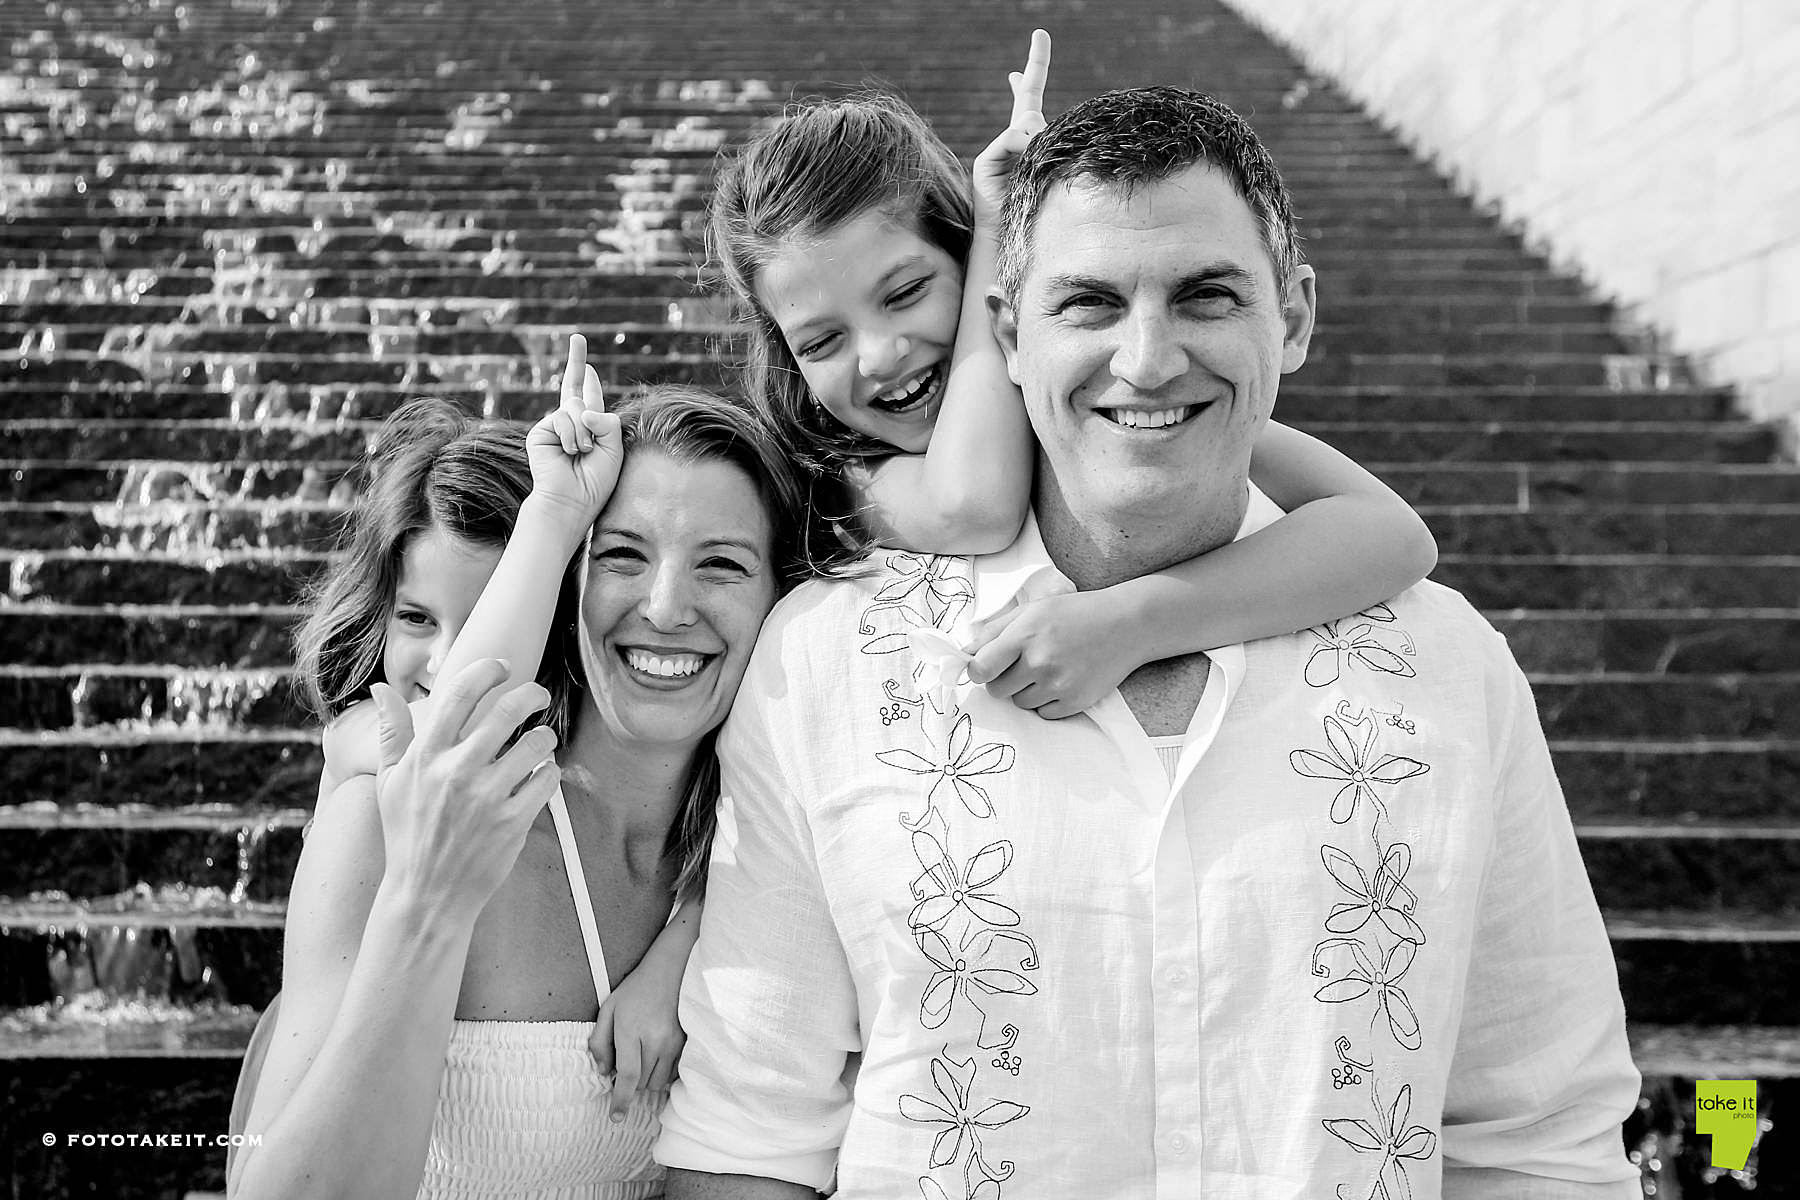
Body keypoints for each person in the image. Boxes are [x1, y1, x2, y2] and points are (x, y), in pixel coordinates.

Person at [657, 86, 1641, 1198]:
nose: (1146, 359)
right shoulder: (831, 605)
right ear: (1009, 325)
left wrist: (1133, 617)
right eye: (1086, 302)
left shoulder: (1448, 665)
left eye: (1207, 295)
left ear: (1296, 317)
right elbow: (749, 1132)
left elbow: (1541, 1139)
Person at [706, 32, 1439, 720]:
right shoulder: (836, 473)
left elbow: (1394, 536)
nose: (881, 354)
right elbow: (974, 505)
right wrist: (992, 225)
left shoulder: (1104, 402)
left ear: (975, 275)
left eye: (904, 294)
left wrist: (1133, 621)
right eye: (822, 339)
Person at [229, 380, 800, 1199]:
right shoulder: (381, 824)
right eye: (622, 555)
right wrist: (429, 901)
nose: (667, 607)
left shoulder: (771, 853)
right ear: (565, 587)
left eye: (722, 563)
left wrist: (696, 940)